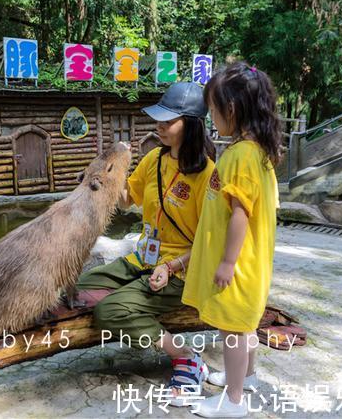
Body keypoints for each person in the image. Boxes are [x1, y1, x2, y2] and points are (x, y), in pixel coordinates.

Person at [75, 82, 216, 404]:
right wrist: (104, 176)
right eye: (159, 119)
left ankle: (186, 358)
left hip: (182, 271)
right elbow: (127, 199)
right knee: (81, 288)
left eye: (169, 121)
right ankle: (138, 312)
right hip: (144, 258)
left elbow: (212, 241)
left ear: (192, 124)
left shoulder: (209, 175)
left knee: (108, 312)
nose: (160, 125)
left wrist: (171, 266)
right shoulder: (154, 158)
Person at [181, 62, 282, 417]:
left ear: (232, 110)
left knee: (233, 331)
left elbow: (241, 212)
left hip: (238, 266)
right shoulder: (259, 153)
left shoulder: (240, 156)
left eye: (213, 111)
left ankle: (234, 401)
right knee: (245, 325)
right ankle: (247, 376)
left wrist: (226, 262)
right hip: (253, 263)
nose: (212, 119)